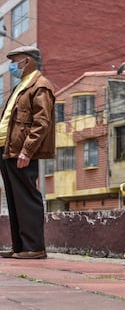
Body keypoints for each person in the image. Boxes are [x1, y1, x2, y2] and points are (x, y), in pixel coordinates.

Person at [0, 46, 55, 259]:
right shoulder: (20, 86)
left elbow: (42, 122)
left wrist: (27, 150)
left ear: (28, 61)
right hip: (8, 150)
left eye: (16, 60)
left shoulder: (40, 85)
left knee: (27, 197)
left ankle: (34, 247)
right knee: (15, 199)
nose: (13, 65)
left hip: (22, 152)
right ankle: (20, 247)